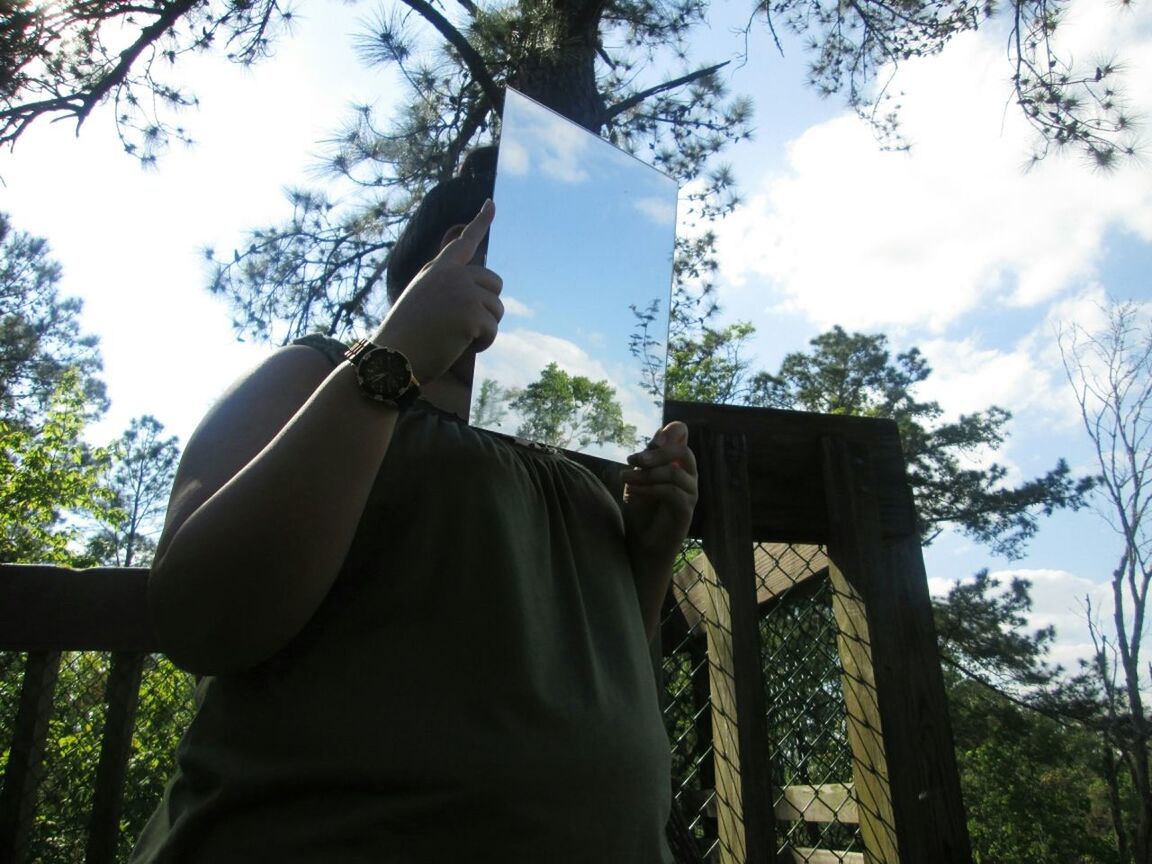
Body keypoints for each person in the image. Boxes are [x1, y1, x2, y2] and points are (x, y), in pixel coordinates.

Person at [129, 147, 698, 863]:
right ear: (453, 254)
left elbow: (609, 672)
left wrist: (648, 550)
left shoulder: (575, 462)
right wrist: (390, 360)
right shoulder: (318, 377)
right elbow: (201, 616)